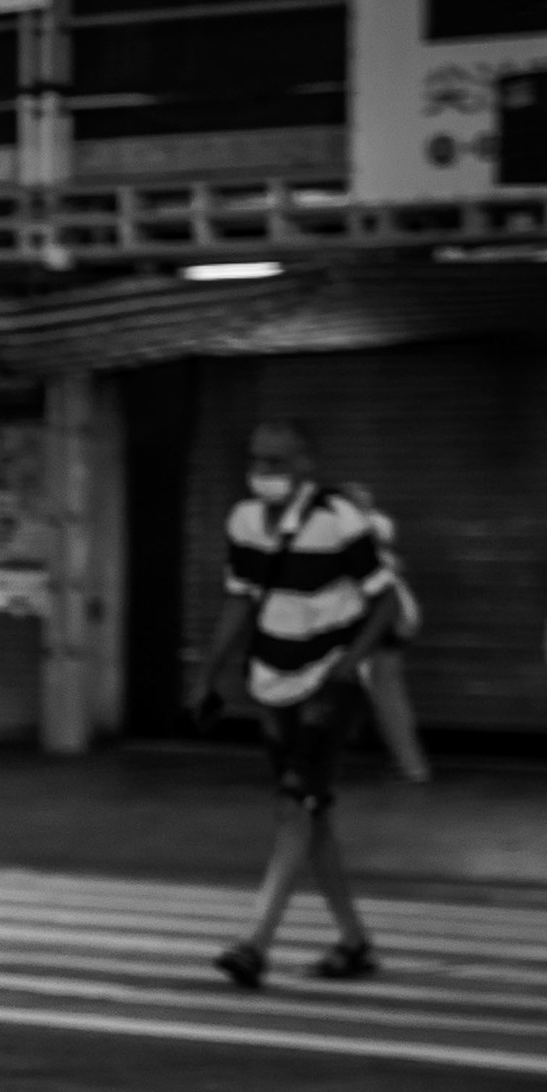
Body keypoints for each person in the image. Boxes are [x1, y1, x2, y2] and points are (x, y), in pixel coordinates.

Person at [198, 418, 396, 988]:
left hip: (326, 686)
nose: (263, 473)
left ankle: (255, 942)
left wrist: (347, 661)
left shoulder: (339, 521)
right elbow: (241, 599)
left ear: (307, 464)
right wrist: (207, 673)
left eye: (277, 462)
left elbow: (385, 604)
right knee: (314, 816)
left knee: (296, 805)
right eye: (257, 460)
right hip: (272, 685)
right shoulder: (242, 521)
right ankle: (355, 942)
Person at [349, 488, 435, 782]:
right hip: (395, 620)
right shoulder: (377, 537)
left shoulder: (363, 536)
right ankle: (408, 762)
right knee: (382, 690)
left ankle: (411, 765)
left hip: (386, 621)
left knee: (387, 694)